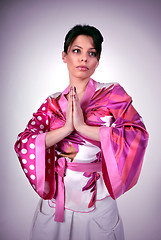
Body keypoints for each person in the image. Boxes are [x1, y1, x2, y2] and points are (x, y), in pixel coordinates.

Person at [14, 25, 149, 240]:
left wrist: (84, 128)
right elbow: (25, 142)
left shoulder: (112, 94)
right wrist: (67, 129)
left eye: (91, 53)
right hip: (56, 202)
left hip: (98, 201)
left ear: (97, 62)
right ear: (64, 56)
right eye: (77, 50)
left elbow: (137, 134)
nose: (84, 58)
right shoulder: (52, 102)